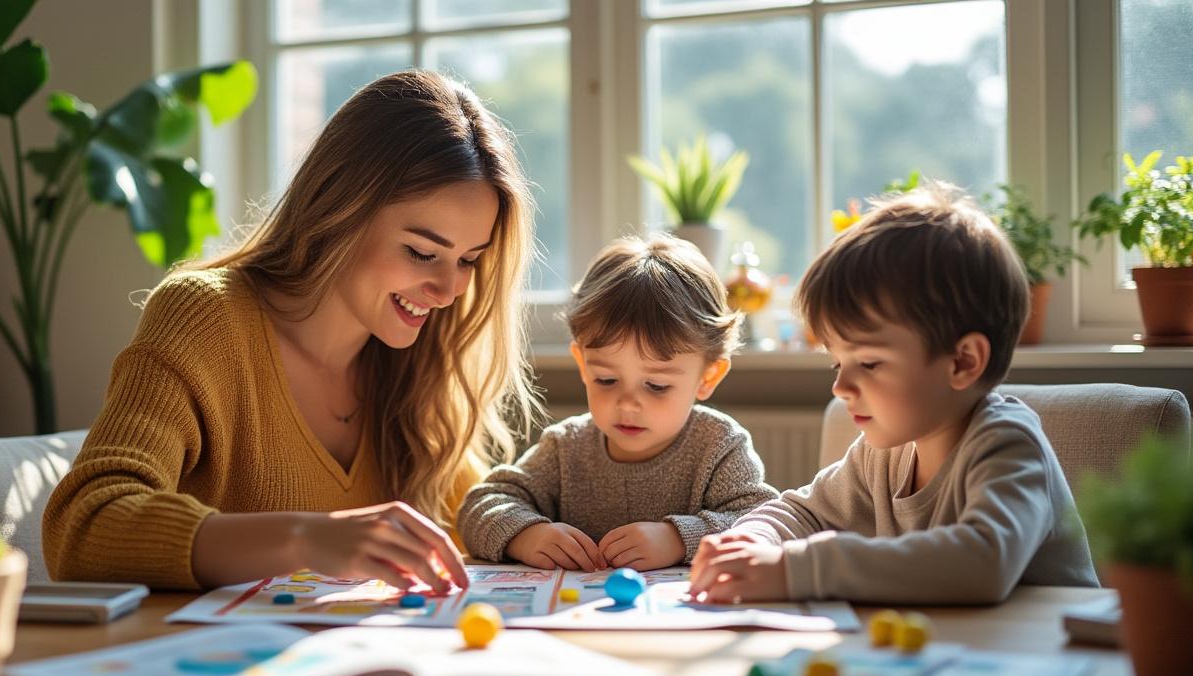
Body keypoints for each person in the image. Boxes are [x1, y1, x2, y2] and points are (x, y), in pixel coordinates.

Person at [44, 70, 542, 591]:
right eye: (422, 252)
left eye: (468, 261)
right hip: (205, 667)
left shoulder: (417, 364)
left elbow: (470, 526)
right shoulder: (207, 318)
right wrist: (304, 539)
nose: (447, 291)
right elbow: (83, 526)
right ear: (340, 211)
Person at [689, 182, 1099, 605]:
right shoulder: (883, 451)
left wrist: (800, 567)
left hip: (1057, 661)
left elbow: (982, 563)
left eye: (868, 363)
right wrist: (747, 541)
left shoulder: (1008, 447)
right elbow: (802, 512)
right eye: (837, 363)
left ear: (963, 362)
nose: (841, 387)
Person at [458, 235, 779, 571]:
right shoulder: (566, 449)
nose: (627, 404)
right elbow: (480, 505)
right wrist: (528, 536)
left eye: (656, 385)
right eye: (606, 380)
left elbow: (764, 523)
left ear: (708, 377)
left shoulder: (718, 445)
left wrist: (677, 538)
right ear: (583, 365)